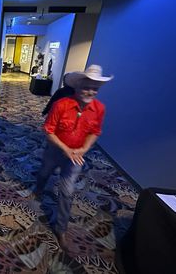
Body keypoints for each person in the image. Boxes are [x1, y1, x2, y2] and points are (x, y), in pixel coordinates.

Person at [34, 64, 113, 249]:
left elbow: (95, 131)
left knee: (67, 191)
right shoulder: (61, 104)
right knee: (44, 173)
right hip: (55, 150)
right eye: (86, 87)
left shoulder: (99, 109)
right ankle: (38, 189)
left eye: (94, 88)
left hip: (76, 155)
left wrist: (84, 149)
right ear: (76, 87)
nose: (90, 91)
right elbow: (48, 131)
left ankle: (61, 229)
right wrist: (65, 148)